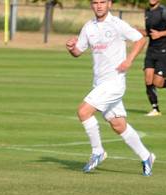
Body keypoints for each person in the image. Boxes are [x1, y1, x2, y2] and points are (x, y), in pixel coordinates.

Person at [66, 0, 156, 176]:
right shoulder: (89, 27)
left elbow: (140, 39)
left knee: (83, 112)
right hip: (99, 83)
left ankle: (97, 151)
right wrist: (71, 48)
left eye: (102, 2)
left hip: (114, 83)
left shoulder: (117, 24)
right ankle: (147, 156)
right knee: (118, 125)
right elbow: (78, 51)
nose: (99, 6)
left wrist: (129, 60)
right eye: (95, 2)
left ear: (109, 4)